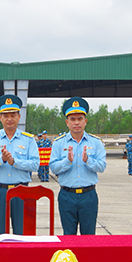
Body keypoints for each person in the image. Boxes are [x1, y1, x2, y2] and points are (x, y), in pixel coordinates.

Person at [0, 95, 39, 235]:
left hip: (22, 191)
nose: (9, 119)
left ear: (19, 116)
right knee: (0, 233)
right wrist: (2, 159)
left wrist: (14, 162)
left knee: (23, 233)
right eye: (6, 115)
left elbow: (35, 165)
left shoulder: (28, 139)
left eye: (13, 115)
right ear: (0, 118)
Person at [49, 97, 107, 235]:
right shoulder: (59, 143)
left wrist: (88, 161)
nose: (76, 122)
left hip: (89, 195)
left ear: (85, 121)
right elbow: (53, 168)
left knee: (89, 237)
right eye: (73, 119)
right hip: (67, 195)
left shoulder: (95, 142)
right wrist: (67, 162)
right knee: (68, 237)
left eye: (80, 119)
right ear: (67, 122)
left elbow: (102, 167)